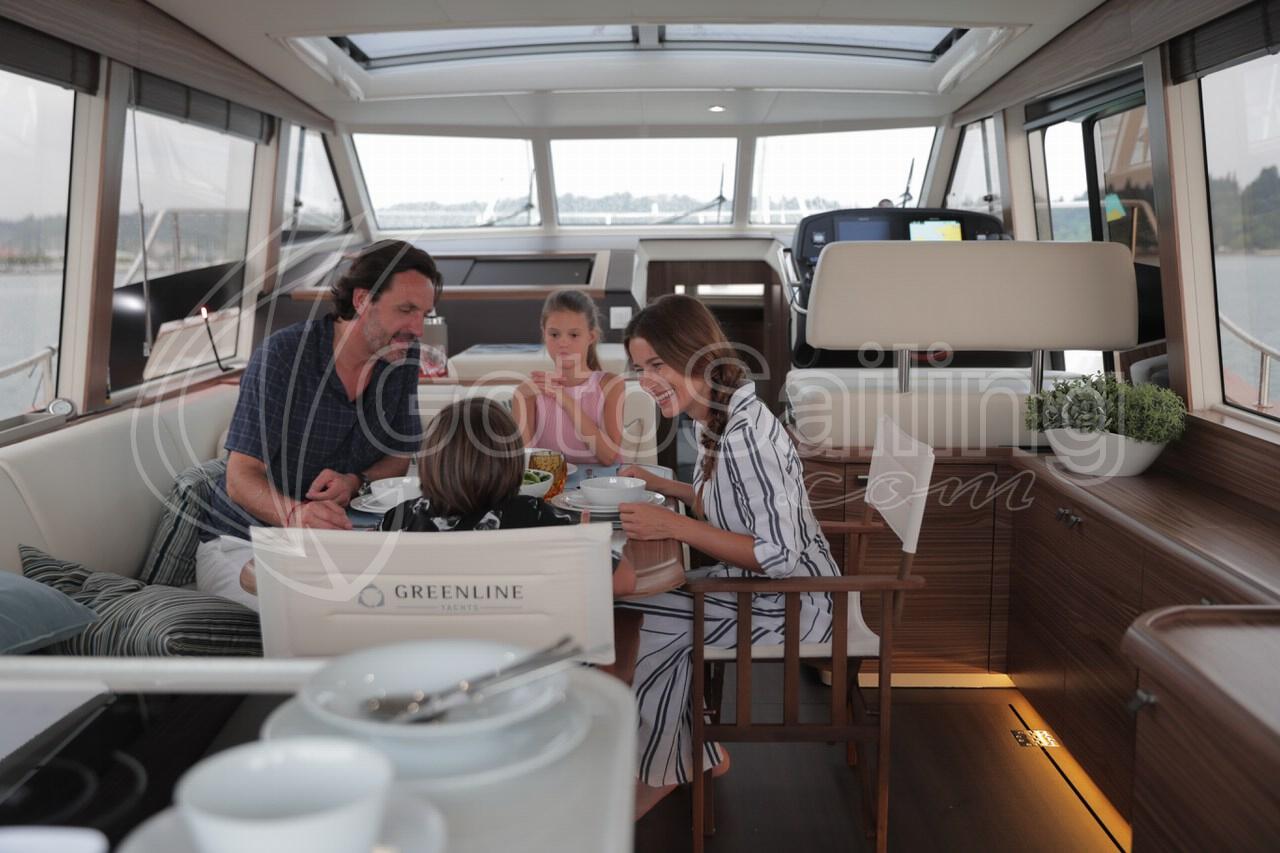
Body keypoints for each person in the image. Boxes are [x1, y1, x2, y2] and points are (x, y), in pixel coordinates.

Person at [614, 294, 839, 818]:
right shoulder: (716, 419)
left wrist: (672, 524)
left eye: (657, 365)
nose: (646, 381)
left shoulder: (744, 437)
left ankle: (664, 770)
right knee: (635, 611)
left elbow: (779, 556)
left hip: (794, 605)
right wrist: (661, 485)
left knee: (646, 622)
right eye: (640, 369)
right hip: (758, 589)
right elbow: (724, 503)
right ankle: (696, 752)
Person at [196, 240, 439, 610]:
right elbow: (239, 478)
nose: (417, 328)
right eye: (406, 310)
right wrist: (296, 515)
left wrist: (355, 481)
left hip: (334, 546)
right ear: (362, 300)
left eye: (424, 313)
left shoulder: (402, 357)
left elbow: (398, 456)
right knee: (321, 612)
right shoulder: (282, 357)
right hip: (246, 543)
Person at [382, 398, 636, 597]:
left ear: (429, 461)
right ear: (512, 462)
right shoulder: (534, 515)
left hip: (425, 647)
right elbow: (624, 581)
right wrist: (591, 539)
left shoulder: (399, 518)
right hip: (523, 647)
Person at [511, 290, 625, 466]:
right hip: (552, 482)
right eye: (554, 335)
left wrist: (564, 399)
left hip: (603, 482)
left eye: (574, 335)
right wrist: (521, 397)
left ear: (591, 336)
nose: (563, 343)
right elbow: (525, 463)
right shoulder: (531, 392)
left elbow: (609, 457)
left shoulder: (610, 385)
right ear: (544, 333)